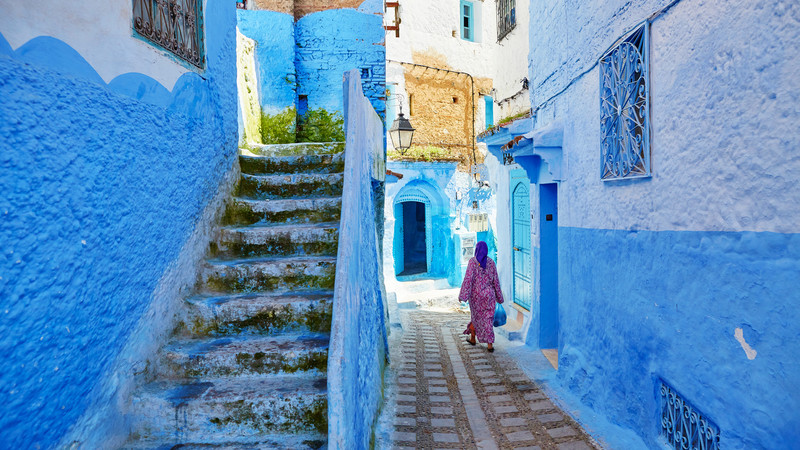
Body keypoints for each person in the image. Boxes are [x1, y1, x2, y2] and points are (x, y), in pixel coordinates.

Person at [458, 241, 504, 352]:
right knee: (487, 320)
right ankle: (489, 344)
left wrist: (463, 296)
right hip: (489, 296)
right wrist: (499, 297)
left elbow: (468, 280)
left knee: (476, 318)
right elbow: (496, 281)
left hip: (476, 297)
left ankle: (474, 338)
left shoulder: (472, 262)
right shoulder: (491, 263)